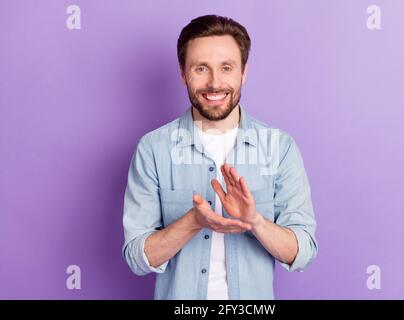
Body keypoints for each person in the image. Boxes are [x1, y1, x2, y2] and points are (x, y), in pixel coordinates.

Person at [122, 14, 317, 300]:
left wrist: (256, 222)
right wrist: (193, 222)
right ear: (182, 72)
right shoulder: (153, 149)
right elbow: (136, 258)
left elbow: (303, 252)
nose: (215, 83)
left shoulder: (279, 147)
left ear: (244, 72)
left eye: (226, 67)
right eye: (201, 68)